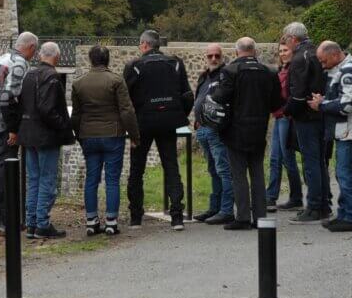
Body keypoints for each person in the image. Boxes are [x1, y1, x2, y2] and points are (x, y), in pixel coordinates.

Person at [210, 37, 283, 230]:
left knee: (238, 174)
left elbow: (219, 97)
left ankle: (242, 217)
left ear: (236, 52)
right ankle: (260, 216)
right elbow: (277, 103)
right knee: (257, 173)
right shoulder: (269, 72)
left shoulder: (230, 71)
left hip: (236, 130)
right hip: (259, 129)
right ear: (255, 51)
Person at [124, 29, 193, 231]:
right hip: (169, 121)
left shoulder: (134, 66)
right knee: (171, 167)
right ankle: (177, 217)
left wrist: (130, 126)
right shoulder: (175, 63)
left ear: (145, 45)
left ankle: (136, 216)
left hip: (142, 123)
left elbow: (125, 101)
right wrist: (180, 116)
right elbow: (187, 95)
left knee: (137, 169)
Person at [71, 45, 139, 236]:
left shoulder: (79, 83)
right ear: (107, 59)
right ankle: (111, 221)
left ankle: (91, 221)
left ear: (90, 60)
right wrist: (134, 135)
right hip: (113, 134)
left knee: (91, 179)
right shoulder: (116, 81)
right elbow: (127, 111)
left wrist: (79, 135)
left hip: (88, 135)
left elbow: (76, 115)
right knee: (112, 179)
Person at [308, 41, 352, 232]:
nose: (321, 64)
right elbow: (340, 98)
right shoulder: (340, 69)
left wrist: (321, 105)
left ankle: (351, 217)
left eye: (323, 60)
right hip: (342, 129)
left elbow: (346, 106)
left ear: (335, 55)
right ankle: (344, 213)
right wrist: (325, 100)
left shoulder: (349, 71)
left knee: (345, 173)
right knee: (341, 172)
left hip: (349, 129)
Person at [0, 32, 38, 236]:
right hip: (4, 122)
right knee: (4, 169)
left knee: (6, 169)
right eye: (35, 50)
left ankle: (7, 220)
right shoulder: (20, 62)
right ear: (30, 47)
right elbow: (8, 96)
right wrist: (13, 128)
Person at [17, 41, 74, 239]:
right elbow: (48, 109)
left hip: (28, 133)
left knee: (33, 179)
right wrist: (64, 125)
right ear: (56, 57)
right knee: (47, 180)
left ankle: (31, 223)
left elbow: (21, 103)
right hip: (46, 135)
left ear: (40, 55)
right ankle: (42, 223)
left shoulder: (28, 74)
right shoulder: (51, 77)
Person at [282, 22, 332, 225]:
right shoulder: (315, 53)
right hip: (320, 113)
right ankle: (324, 204)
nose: (285, 42)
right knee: (320, 161)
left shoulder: (300, 58)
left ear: (293, 39)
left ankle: (313, 206)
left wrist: (287, 111)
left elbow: (298, 92)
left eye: (286, 39)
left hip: (306, 116)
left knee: (311, 162)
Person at [192, 44, 234, 225]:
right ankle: (214, 207)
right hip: (202, 129)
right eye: (210, 56)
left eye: (217, 55)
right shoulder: (204, 76)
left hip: (217, 130)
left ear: (222, 56)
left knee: (223, 170)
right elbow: (199, 98)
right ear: (205, 57)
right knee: (213, 170)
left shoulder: (226, 75)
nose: (213, 59)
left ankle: (226, 210)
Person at [267, 41, 303, 211]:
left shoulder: (292, 71)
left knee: (288, 159)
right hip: (277, 117)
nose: (282, 53)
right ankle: (271, 196)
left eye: (285, 50)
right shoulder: (280, 70)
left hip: (286, 118)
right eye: (280, 51)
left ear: (292, 51)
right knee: (274, 158)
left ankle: (296, 197)